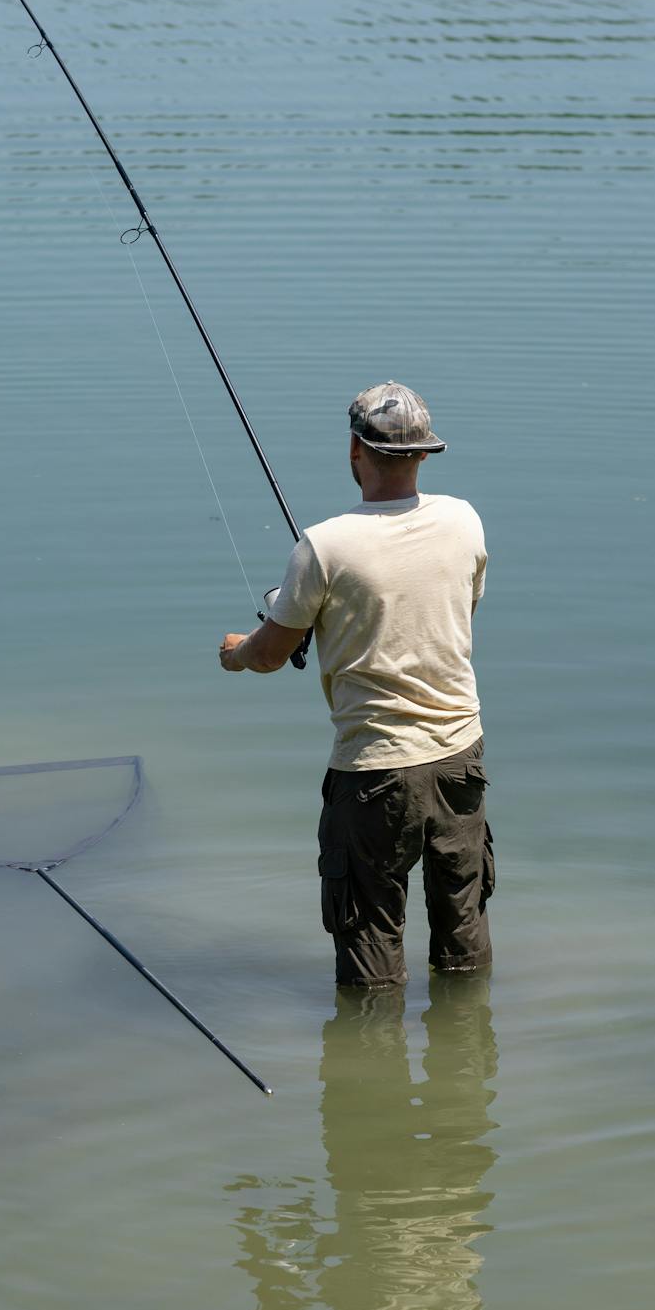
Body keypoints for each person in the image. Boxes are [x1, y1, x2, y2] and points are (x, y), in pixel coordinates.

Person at [218, 382, 492, 987]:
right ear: (423, 453)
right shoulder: (463, 521)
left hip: (373, 773)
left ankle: (370, 1039)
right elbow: (454, 613)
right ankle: (469, 1035)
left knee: (369, 949)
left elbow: (270, 654)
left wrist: (237, 652)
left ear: (354, 450)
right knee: (464, 930)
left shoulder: (324, 546)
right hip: (460, 760)